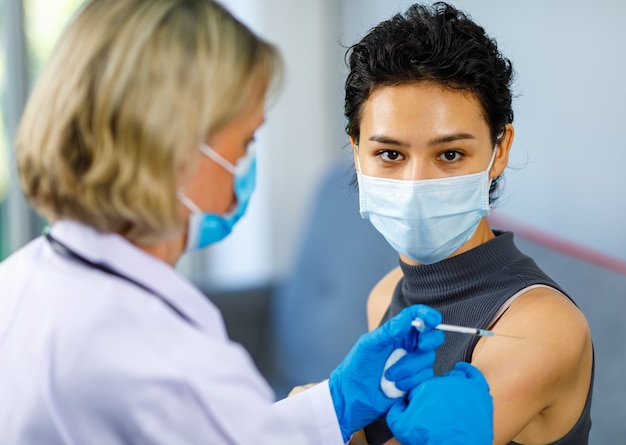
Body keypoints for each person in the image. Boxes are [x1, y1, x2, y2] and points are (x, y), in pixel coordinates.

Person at [0, 0, 494, 443]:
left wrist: (335, 404)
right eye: (245, 140)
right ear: (175, 150)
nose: (248, 162)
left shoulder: (21, 279)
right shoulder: (161, 360)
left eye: (449, 153)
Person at [343, 2, 594, 445]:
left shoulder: (542, 327)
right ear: (357, 151)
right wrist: (328, 410)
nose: (416, 182)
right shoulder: (385, 294)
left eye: (450, 154)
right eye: (390, 154)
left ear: (499, 151)